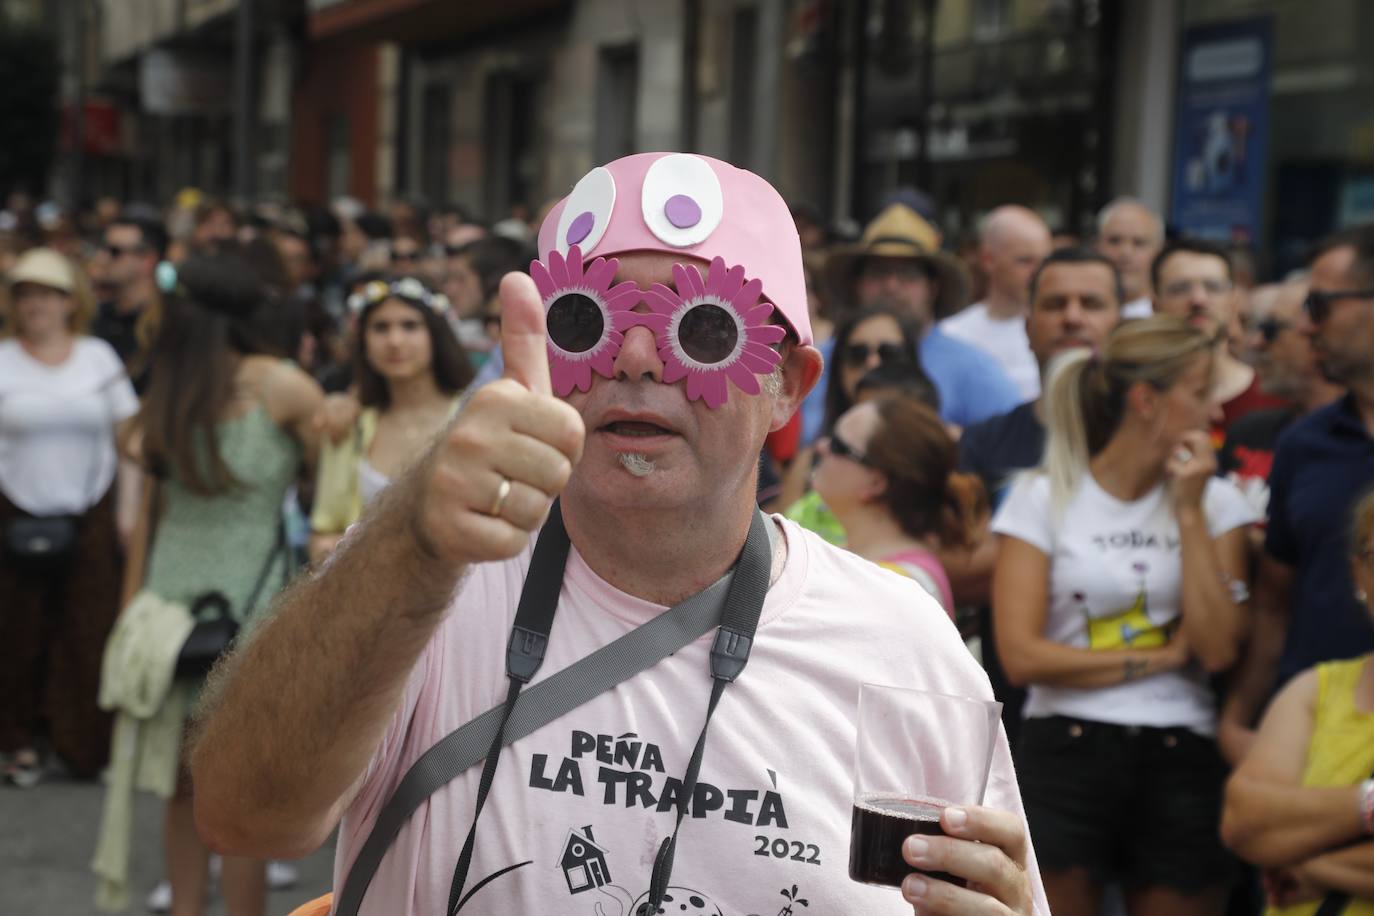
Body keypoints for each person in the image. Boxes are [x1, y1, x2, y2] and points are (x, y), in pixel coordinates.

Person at [192, 152, 1048, 915]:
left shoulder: (900, 648)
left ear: (788, 386)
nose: (636, 360)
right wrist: (411, 536)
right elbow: (240, 814)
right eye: (586, 323)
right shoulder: (422, 589)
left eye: (701, 328)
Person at [993, 316, 1257, 916]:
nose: (1215, 414)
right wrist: (1162, 656)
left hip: (1180, 750)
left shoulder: (1218, 504)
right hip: (1067, 746)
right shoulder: (1042, 496)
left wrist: (1189, 512)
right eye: (1200, 392)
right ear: (1146, 400)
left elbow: (1216, 649)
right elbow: (1023, 656)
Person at [99, 248, 323, 915]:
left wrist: (131, 607)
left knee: (202, 786)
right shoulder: (244, 382)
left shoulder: (208, 385)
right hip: (220, 603)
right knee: (211, 785)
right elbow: (155, 511)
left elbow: (334, 495)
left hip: (195, 601)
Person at [1219, 224, 1374, 767]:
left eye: (1320, 304)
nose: (1307, 326)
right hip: (1308, 728)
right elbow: (1274, 599)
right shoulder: (1304, 443)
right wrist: (1240, 716)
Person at [956, 248, 1124, 743]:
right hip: (1018, 719)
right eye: (1055, 304)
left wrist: (1021, 551)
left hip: (1137, 709)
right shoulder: (984, 441)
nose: (1072, 317)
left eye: (1091, 303)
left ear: (1121, 321)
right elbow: (961, 571)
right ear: (1028, 326)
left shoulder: (1146, 438)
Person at [0, 248, 139, 786]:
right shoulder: (5, 358)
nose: (36, 304)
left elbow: (129, 439)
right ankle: (16, 742)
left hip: (92, 509)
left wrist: (129, 510)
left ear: (69, 300)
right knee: (15, 630)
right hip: (13, 506)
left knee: (89, 628)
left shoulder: (98, 356)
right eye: (26, 293)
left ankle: (84, 747)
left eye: (47, 293)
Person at [1220, 488, 1374, 915]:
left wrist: (1316, 869)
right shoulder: (1315, 690)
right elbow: (1244, 821)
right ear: (1358, 574)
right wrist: (1368, 804)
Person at [309, 277, 474, 561]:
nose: (395, 341)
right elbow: (323, 532)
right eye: (380, 328)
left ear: (436, 335)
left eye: (410, 326)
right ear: (363, 341)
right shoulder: (350, 424)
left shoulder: (473, 414)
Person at [824, 203, 1022, 428]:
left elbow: (1010, 452)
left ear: (933, 288)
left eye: (908, 275)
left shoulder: (976, 372)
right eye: (878, 272)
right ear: (857, 285)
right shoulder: (814, 365)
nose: (891, 286)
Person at [813, 394, 983, 616]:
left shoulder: (895, 584)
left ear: (875, 482)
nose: (821, 446)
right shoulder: (869, 563)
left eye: (838, 445)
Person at [1218, 278, 1344, 522]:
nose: (1256, 342)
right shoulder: (1248, 431)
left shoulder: (1361, 441)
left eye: (1271, 329)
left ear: (1315, 333)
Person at [1151, 238, 1287, 442]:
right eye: (1180, 289)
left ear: (1233, 301)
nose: (1198, 299)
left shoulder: (1274, 398)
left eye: (1213, 287)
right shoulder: (1134, 396)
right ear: (1155, 305)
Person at [940, 205, 1053, 400]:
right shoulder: (952, 334)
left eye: (1044, 262)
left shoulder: (1060, 329)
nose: (1038, 272)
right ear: (988, 260)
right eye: (1025, 261)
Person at [88, 211, 167, 386]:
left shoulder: (170, 323)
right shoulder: (94, 317)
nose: (101, 258)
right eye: (102, 248)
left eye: (114, 252)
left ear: (147, 260)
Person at [1095, 198, 1163, 320]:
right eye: (1114, 241)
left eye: (1139, 243)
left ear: (1158, 252)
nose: (1125, 253)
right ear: (1097, 246)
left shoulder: (1170, 320)